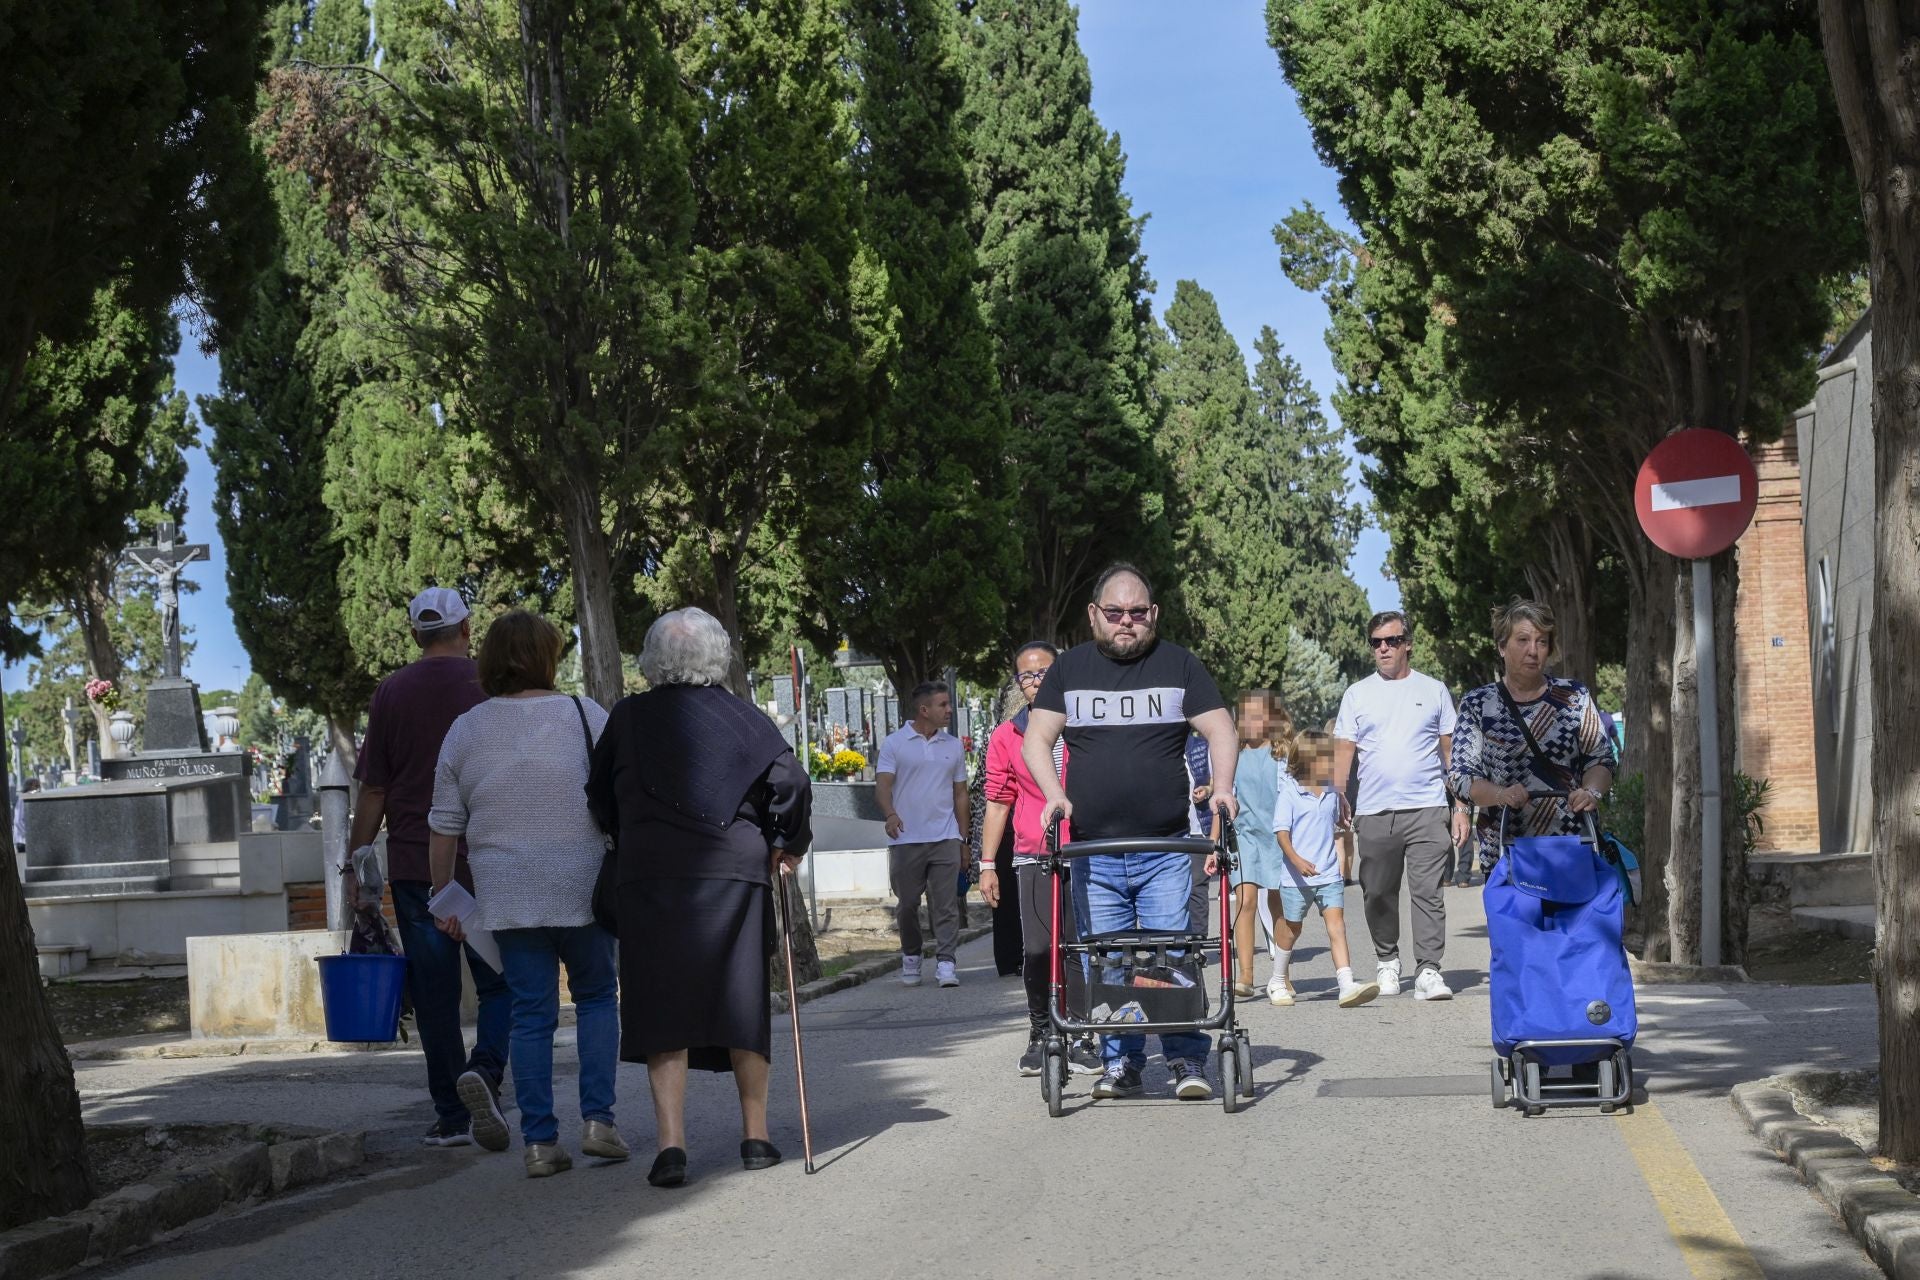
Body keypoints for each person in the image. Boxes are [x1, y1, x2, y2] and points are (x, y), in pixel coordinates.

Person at [587, 607, 811, 1189]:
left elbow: (598, 790)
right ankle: (756, 1136)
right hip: (733, 873)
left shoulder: (629, 717)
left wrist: (627, 830)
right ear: (718, 657)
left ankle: (670, 1147)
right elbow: (791, 784)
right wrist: (786, 842)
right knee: (742, 998)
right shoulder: (744, 717)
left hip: (651, 873)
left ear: (653, 660)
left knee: (660, 1004)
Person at [1025, 563, 1240, 1102]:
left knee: (1170, 955)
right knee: (1110, 959)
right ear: (1095, 614)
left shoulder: (1180, 665)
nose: (1127, 622)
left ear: (1154, 615)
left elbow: (1221, 729)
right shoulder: (1069, 670)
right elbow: (1037, 739)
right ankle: (1121, 1065)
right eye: (1116, 612)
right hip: (1094, 852)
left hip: (1166, 846)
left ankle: (1187, 1060)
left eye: (1138, 612)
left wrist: (1223, 787)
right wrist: (1054, 792)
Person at [427, 610, 621, 1179]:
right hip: (584, 887)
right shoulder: (587, 716)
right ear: (548, 658)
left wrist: (444, 897)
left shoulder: (466, 729)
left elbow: (443, 827)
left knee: (531, 1015)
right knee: (595, 998)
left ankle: (540, 1143)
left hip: (506, 895)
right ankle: (599, 1123)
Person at [348, 587, 511, 1148]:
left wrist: (356, 864)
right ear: (467, 630)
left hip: (419, 865)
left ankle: (452, 1115)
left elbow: (374, 788)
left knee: (436, 995)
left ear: (416, 636)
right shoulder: (491, 685)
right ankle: (485, 1072)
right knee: (501, 983)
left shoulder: (391, 692)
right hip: (490, 859)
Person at [1332, 611, 1469, 1003]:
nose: (1383, 649)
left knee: (1428, 892)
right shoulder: (1357, 694)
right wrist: (1337, 796)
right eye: (1376, 643)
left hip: (1427, 807)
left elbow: (1451, 753)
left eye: (1391, 641)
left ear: (1407, 643)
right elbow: (1344, 750)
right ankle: (1387, 960)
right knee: (1377, 891)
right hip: (1374, 810)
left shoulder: (1434, 689)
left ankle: (1428, 969)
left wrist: (1460, 806)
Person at [978, 641, 1100, 1078]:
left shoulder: (1084, 725)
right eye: (1026, 676)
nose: (1034, 682)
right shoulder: (1007, 735)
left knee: (1077, 946)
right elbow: (997, 802)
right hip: (1033, 852)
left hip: (1085, 848)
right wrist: (987, 863)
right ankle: (1041, 1031)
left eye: (1043, 672)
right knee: (1037, 949)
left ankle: (1083, 1034)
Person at [1447, 599, 1618, 869]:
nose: (1533, 651)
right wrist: (1501, 794)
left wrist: (1591, 792)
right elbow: (1460, 777)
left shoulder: (1574, 696)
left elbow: (1601, 759)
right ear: (1502, 646)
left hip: (1573, 850)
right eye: (1523, 640)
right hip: (1507, 855)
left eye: (1541, 641)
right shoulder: (1477, 704)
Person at [1271, 729, 1381, 1008]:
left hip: (1329, 873)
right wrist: (1296, 860)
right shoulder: (1289, 793)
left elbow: (1336, 814)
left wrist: (1343, 805)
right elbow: (1281, 832)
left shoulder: (1332, 791)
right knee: (1292, 928)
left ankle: (1346, 985)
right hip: (1297, 877)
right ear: (1308, 760)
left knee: (1337, 926)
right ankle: (1277, 979)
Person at [876, 682, 971, 988]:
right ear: (924, 709)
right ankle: (912, 956)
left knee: (945, 905)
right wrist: (890, 814)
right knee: (907, 905)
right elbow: (883, 785)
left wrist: (963, 839)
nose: (948, 710)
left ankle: (946, 963)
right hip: (906, 839)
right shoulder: (894, 744)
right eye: (943, 705)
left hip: (945, 837)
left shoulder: (954, 746)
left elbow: (960, 795)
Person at [1228, 691, 1292, 999]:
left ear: (1273, 720)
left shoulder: (1283, 755)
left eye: (1258, 715)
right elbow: (1224, 793)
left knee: (1277, 903)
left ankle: (1282, 975)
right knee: (1246, 901)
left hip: (1277, 838)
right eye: (1245, 716)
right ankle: (1246, 976)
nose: (1250, 721)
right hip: (1244, 838)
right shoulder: (1234, 754)